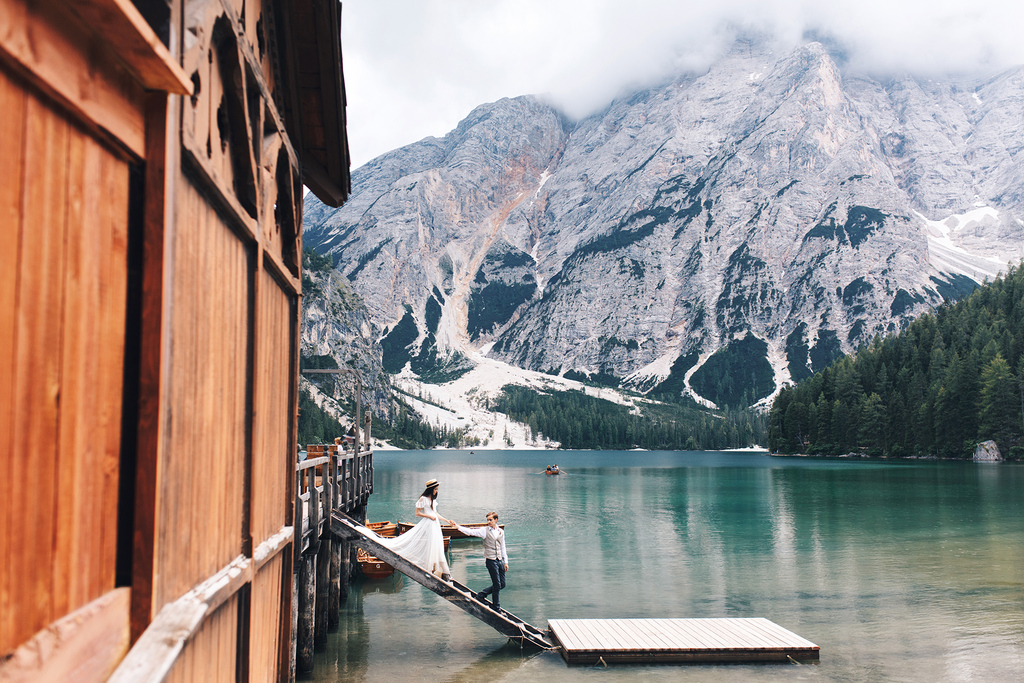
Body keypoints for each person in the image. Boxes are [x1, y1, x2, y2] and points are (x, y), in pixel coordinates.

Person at [380, 479, 452, 581]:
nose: (436, 491)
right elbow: (417, 513)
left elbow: (435, 513)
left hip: (435, 524)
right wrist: (429, 516)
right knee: (433, 545)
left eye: (437, 489)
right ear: (431, 489)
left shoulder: (433, 499)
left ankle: (442, 571)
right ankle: (440, 571)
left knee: (438, 545)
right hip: (429, 524)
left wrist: (446, 520)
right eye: (435, 489)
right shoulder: (423, 499)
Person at [456, 511, 508, 610]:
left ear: (496, 520)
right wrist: (458, 527)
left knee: (502, 584)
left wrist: (506, 562)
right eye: (487, 520)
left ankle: (481, 595)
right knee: (497, 585)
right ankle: (496, 607)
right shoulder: (484, 531)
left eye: (490, 520)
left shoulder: (501, 531)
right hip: (491, 561)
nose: (488, 522)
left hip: (499, 560)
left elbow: (503, 547)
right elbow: (471, 532)